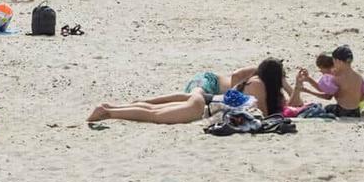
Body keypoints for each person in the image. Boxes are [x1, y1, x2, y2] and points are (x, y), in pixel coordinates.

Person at [88, 60, 286, 124]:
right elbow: (262, 114)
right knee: (153, 115)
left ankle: (111, 107)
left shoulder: (252, 82)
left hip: (203, 99)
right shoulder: (260, 86)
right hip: (201, 107)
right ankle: (109, 112)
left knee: (151, 109)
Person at [295, 47, 364, 118]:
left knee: (325, 108)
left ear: (338, 61)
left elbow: (327, 96)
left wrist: (307, 91)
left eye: (334, 61)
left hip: (341, 111)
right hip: (356, 112)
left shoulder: (337, 78)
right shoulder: (359, 77)